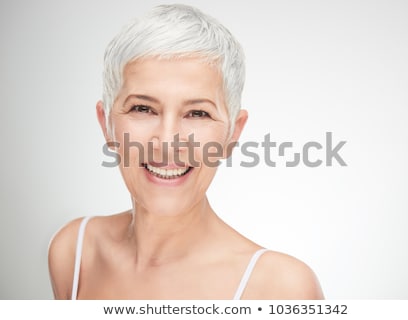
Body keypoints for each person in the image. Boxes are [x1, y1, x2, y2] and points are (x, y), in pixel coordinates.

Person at [48, 4, 324, 300]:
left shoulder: (281, 288)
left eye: (197, 114)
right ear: (107, 125)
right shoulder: (74, 252)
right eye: (143, 108)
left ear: (233, 133)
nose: (168, 141)